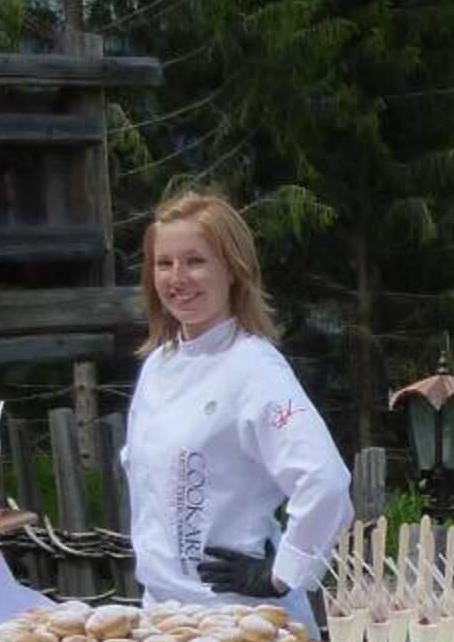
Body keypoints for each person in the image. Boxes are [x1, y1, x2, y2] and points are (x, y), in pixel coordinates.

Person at [120, 188, 351, 616]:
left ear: (232, 269)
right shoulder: (157, 367)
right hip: (163, 617)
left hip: (241, 619)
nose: (177, 278)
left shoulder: (255, 370)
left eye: (195, 261)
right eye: (164, 263)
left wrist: (283, 573)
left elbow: (325, 481)